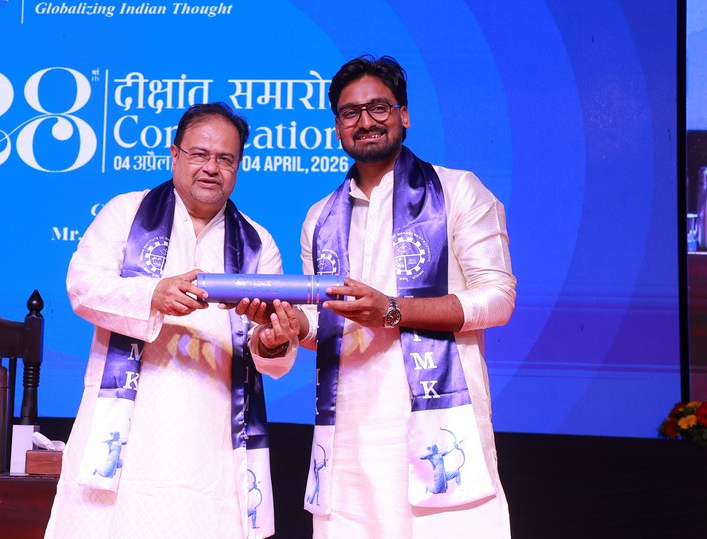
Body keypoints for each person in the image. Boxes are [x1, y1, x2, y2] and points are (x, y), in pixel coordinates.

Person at [265, 54, 516, 536]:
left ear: (404, 114)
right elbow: (326, 325)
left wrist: (393, 311)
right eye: (350, 113)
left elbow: (498, 298)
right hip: (349, 437)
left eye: (378, 107)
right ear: (337, 128)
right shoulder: (319, 218)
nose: (366, 122)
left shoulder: (459, 191)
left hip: (438, 426)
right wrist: (292, 327)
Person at [44, 102, 298, 539]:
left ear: (238, 167)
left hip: (212, 434)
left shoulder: (258, 243)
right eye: (199, 154)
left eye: (225, 159)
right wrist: (153, 294)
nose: (211, 168)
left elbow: (266, 348)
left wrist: (273, 341)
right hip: (127, 424)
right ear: (175, 154)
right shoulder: (127, 213)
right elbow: (82, 287)